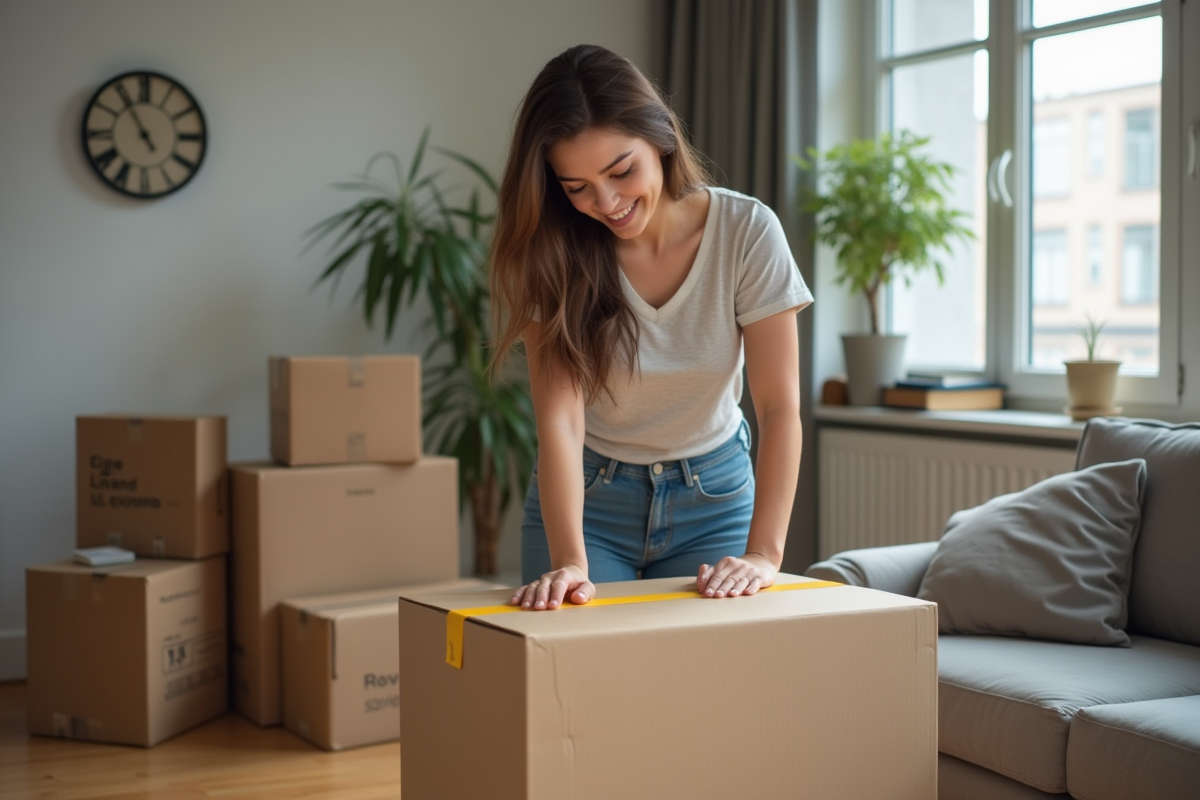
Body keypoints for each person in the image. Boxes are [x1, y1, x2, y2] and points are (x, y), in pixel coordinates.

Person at [489, 44, 813, 612]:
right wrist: (570, 559)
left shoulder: (747, 232)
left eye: (621, 171)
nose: (607, 202)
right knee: (578, 686)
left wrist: (764, 554)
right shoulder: (553, 251)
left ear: (661, 138)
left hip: (713, 496)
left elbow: (780, 406)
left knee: (699, 690)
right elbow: (561, 423)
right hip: (588, 499)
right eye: (577, 187)